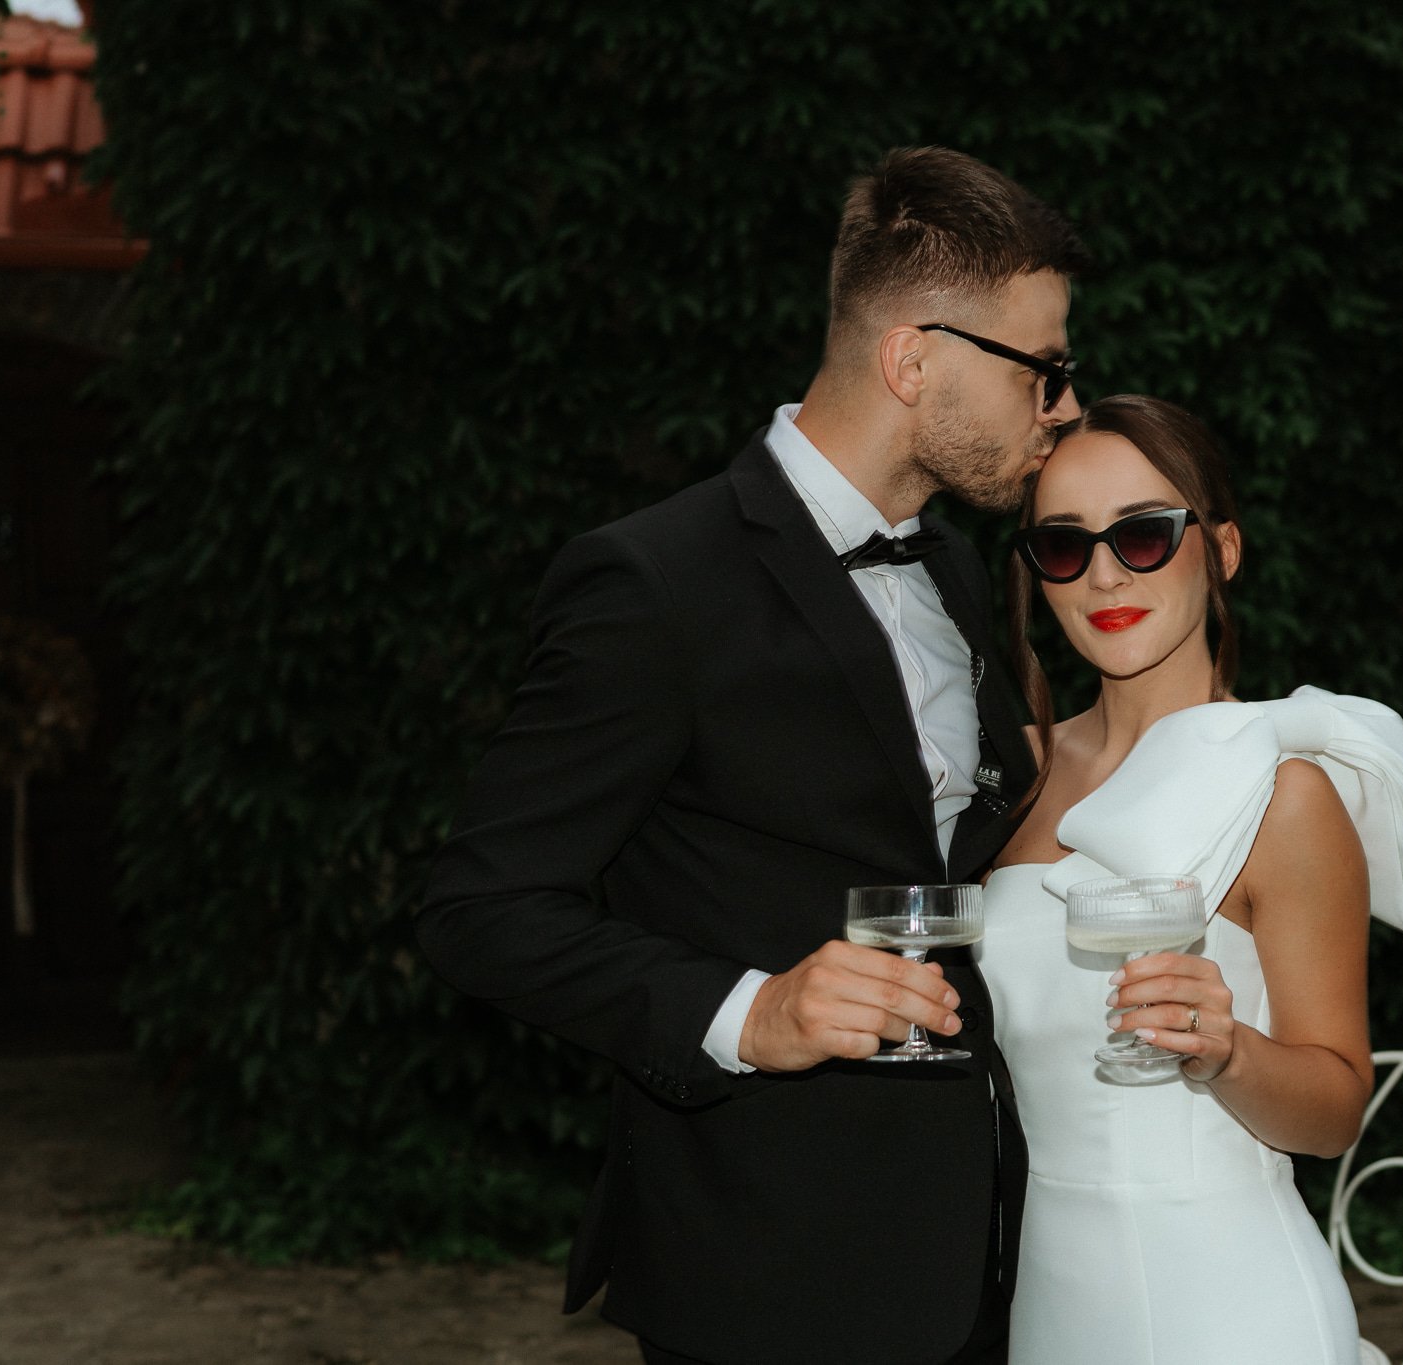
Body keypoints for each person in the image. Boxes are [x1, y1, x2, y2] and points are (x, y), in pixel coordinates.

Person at [415, 147, 1088, 1365]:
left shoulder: (945, 568)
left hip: (985, 1254)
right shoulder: (654, 585)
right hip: (768, 1273)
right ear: (911, 358)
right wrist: (751, 1009)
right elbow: (483, 909)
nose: (1064, 405)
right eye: (1042, 368)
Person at [977, 394, 1403, 1364]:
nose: (1102, 575)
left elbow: (1335, 1112)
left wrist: (1226, 1052)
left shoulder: (1281, 791)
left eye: (1143, 534)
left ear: (1219, 549)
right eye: (1062, 545)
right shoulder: (1006, 779)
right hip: (1045, 1304)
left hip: (1230, 1309)